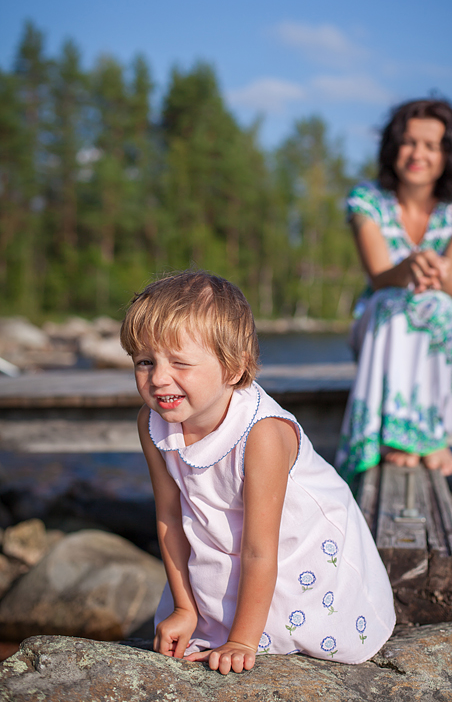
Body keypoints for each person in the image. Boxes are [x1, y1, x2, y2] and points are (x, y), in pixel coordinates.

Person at [120, 270, 395, 675]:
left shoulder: (262, 434)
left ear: (233, 369)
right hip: (228, 540)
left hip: (293, 550)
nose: (159, 378)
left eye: (180, 362)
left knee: (275, 628)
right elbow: (171, 518)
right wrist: (184, 607)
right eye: (145, 361)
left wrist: (242, 640)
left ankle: (256, 629)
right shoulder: (152, 424)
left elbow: (260, 549)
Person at [335, 99, 452, 486]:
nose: (417, 154)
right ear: (393, 147)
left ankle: (425, 433)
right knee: (392, 302)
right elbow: (379, 277)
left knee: (432, 302)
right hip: (382, 331)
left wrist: (434, 271)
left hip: (448, 327)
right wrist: (407, 268)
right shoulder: (367, 201)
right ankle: (404, 437)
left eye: (431, 145)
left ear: (448, 154)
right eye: (408, 142)